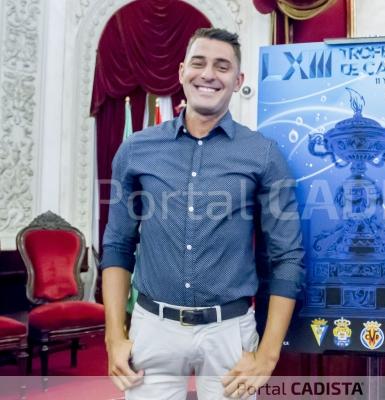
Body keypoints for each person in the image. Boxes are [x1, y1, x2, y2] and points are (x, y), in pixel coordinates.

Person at [100, 27, 305, 399]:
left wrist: (267, 355)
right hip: (152, 327)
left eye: (222, 66)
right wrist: (115, 335)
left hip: (228, 333)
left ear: (238, 80)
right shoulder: (136, 150)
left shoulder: (263, 154)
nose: (208, 74)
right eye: (199, 63)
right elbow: (117, 245)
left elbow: (287, 258)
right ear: (181, 72)